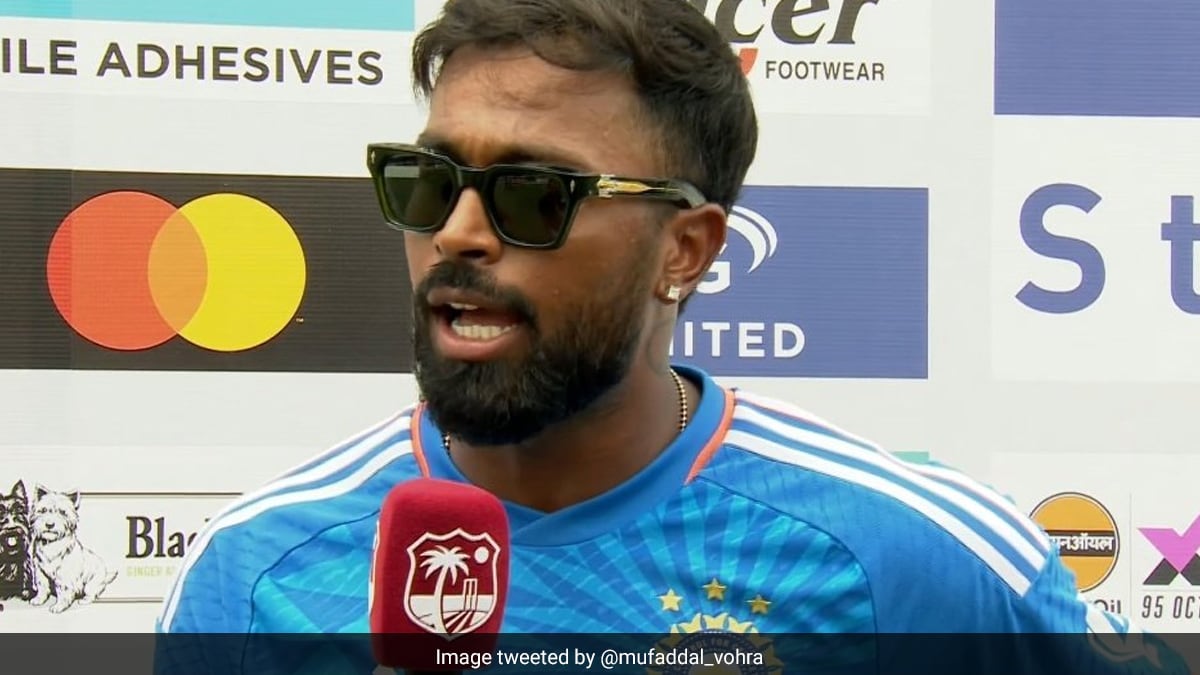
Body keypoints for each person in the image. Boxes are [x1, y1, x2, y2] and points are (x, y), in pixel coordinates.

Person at [155, 0, 1189, 673]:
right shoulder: (258, 574)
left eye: (534, 191)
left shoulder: (907, 551)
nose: (459, 233)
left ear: (685, 250)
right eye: (429, 182)